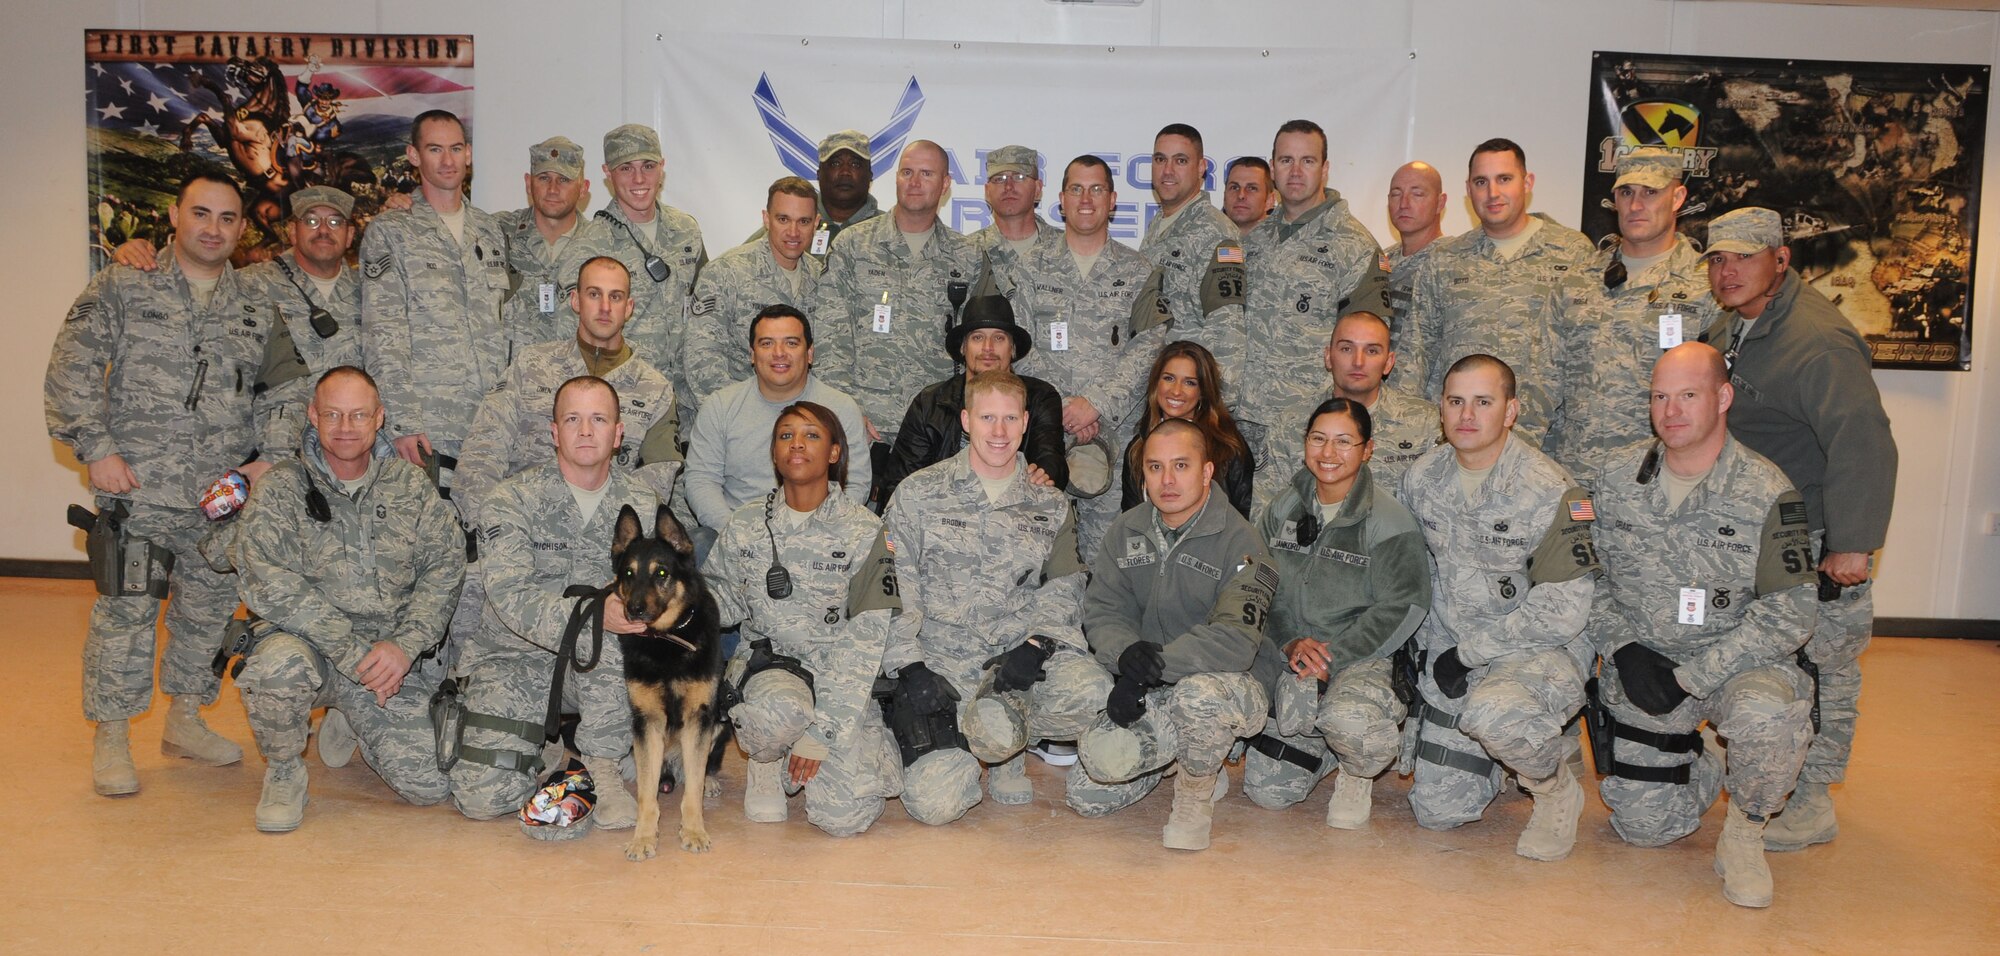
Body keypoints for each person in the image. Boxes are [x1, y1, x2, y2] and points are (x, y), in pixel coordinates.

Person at [47, 170, 268, 795]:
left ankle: (185, 721)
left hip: (218, 498)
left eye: (227, 219)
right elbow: (73, 366)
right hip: (139, 486)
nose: (213, 229)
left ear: (242, 228)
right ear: (173, 216)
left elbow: (287, 389)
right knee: (127, 614)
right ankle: (113, 735)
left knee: (208, 614)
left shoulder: (254, 304)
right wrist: (97, 449)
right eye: (201, 214)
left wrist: (264, 461)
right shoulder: (123, 283)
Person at [1588, 342, 1819, 907]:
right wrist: (1621, 647)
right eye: (1660, 397)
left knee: (1767, 717)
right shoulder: (1614, 480)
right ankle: (1704, 764)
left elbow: (1791, 611)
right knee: (1645, 829)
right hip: (1644, 666)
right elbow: (1583, 578)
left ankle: (1745, 829)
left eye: (1688, 395)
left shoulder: (1769, 492)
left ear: (1723, 397)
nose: (1671, 411)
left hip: (1738, 665)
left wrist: (1694, 676)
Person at [1699, 206, 1898, 851]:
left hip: (1814, 538)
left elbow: (1863, 443)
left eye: (1744, 258)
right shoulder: (1734, 324)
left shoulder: (1817, 340)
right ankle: (1766, 777)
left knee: (1822, 666)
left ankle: (1809, 799)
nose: (1728, 271)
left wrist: (1850, 542)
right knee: (1772, 662)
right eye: (1718, 259)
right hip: (1758, 533)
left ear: (1780, 260)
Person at [228, 367, 467, 831]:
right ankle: (284, 772)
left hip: (386, 661)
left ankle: (348, 716)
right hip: (311, 649)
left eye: (358, 415)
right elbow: (264, 577)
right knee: (276, 670)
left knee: (428, 786)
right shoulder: (281, 487)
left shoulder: (410, 485)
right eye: (333, 414)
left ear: (379, 419)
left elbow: (445, 566)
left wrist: (405, 646)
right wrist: (351, 652)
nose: (345, 427)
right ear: (312, 416)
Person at [1400, 354, 1600, 861]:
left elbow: (1561, 612)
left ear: (1510, 411)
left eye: (1483, 402)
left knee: (1495, 716)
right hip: (1454, 649)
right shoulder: (1422, 478)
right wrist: (1416, 654)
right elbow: (1416, 574)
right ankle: (1509, 748)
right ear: (1440, 409)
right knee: (1438, 810)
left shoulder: (1551, 488)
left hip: (1538, 649)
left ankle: (1553, 786)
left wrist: (1469, 654)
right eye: (1455, 401)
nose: (1467, 415)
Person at [880, 371, 1103, 823]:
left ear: (1025, 423)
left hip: (1017, 659)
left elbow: (1064, 585)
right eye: (987, 418)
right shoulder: (919, 492)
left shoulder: (1051, 504)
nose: (998, 432)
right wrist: (909, 665)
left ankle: (1009, 741)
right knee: (934, 805)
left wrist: (1039, 644)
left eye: (1008, 419)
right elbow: (893, 584)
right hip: (942, 662)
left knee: (1093, 694)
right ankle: (976, 736)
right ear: (966, 421)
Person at [447, 376, 662, 828]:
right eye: (573, 419)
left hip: (601, 663)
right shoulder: (510, 500)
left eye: (598, 419)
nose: (586, 431)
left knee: (610, 637)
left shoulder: (643, 505)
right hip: (517, 656)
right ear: (554, 432)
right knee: (482, 799)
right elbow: (509, 596)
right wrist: (592, 615)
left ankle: (602, 764)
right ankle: (545, 749)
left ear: (618, 433)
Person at [1070, 419, 1278, 851]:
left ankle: (1195, 789)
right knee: (1089, 790)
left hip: (1225, 685)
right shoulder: (1126, 529)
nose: (1167, 481)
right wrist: (1125, 656)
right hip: (1150, 679)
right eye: (1155, 467)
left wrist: (1154, 664)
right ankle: (1178, 749)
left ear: (1206, 472)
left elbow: (1235, 642)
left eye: (1181, 466)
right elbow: (1104, 609)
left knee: (1196, 698)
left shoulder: (1243, 542)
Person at [705, 401, 906, 835]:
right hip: (770, 672)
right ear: (775, 454)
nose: (797, 443)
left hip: (841, 680)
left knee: (843, 818)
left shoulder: (866, 531)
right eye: (785, 435)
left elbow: (867, 641)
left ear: (835, 452)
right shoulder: (744, 525)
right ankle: (765, 759)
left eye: (812, 435)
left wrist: (823, 733)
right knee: (781, 709)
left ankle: (813, 742)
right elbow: (717, 602)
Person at [1241, 398, 1430, 828]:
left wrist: (1333, 656)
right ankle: (1321, 745)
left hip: (1358, 655)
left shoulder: (1388, 520)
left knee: (1352, 722)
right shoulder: (1284, 507)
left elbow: (1406, 604)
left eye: (1344, 442)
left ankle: (1355, 769)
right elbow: (1258, 580)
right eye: (1318, 439)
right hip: (1293, 651)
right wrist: (1289, 638)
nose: (1328, 453)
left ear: (1367, 450)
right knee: (1267, 792)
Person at [111, 184, 366, 462]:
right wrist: (133, 250)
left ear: (350, 234)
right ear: (292, 231)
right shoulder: (247, 284)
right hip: (267, 450)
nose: (323, 230)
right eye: (311, 220)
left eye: (335, 222)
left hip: (350, 447)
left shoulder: (372, 293)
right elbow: (188, 277)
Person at [1006, 155, 1171, 558]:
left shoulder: (1139, 270)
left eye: (1096, 189)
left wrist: (1095, 404)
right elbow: (1018, 345)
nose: (1086, 198)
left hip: (1110, 442)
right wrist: (1060, 408)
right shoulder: (1028, 269)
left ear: (1112, 200)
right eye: (1076, 189)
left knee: (1105, 561)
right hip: (1042, 441)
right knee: (1038, 554)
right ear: (1060, 200)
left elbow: (1150, 345)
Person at [455, 256, 683, 531]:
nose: (605, 307)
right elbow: (482, 452)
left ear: (629, 308)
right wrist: (493, 527)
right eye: (594, 294)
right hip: (519, 529)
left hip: (604, 544)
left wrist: (598, 543)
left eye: (616, 297)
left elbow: (653, 487)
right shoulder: (530, 366)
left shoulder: (655, 389)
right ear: (575, 301)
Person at [1398, 138, 1596, 445]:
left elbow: (1586, 355)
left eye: (1504, 179)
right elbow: (1417, 353)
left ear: (1527, 182)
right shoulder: (1446, 260)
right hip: (1458, 441)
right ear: (1468, 189)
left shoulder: (1572, 253)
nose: (1492, 193)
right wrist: (1408, 434)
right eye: (1481, 182)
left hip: (1545, 442)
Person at [1548, 146, 1722, 490]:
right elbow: (1542, 379)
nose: (1636, 205)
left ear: (1678, 197)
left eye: (1651, 192)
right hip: (1574, 477)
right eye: (1626, 192)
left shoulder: (1706, 288)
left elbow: (1720, 398)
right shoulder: (1576, 281)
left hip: (1659, 481)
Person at [360, 110, 511, 495]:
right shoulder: (391, 231)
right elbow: (383, 333)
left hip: (490, 426)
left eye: (456, 148)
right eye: (435, 149)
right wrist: (404, 421)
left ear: (469, 154)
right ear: (414, 155)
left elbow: (505, 323)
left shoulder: (490, 230)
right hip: (428, 425)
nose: (447, 161)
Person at [1240, 120, 1383, 506]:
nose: (1296, 171)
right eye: (1286, 160)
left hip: (1308, 430)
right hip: (1241, 421)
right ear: (1272, 168)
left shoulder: (1353, 245)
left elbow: (1367, 352)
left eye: (1307, 160)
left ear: (1325, 168)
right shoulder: (1252, 241)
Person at [814, 140, 982, 449]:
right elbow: (830, 337)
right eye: (907, 172)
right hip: (864, 429)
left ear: (945, 184)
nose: (915, 183)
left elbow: (979, 351)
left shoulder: (967, 256)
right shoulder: (854, 245)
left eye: (926, 174)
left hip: (936, 430)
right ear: (896, 179)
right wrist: (844, 415)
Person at [555, 124, 709, 422]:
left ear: (662, 168)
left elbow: (704, 309)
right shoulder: (588, 245)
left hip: (686, 406)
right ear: (607, 173)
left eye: (648, 166)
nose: (639, 179)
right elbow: (567, 337)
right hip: (624, 405)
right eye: (626, 168)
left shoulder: (686, 230)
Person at [685, 305, 871, 534]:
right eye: (766, 343)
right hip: (738, 532)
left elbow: (855, 483)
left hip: (822, 535)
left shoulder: (841, 408)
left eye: (791, 343)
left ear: (810, 353)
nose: (779, 352)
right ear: (752, 354)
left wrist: (815, 533)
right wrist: (735, 533)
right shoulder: (720, 406)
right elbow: (701, 481)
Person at [879, 294, 1067, 506]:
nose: (988, 348)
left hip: (1013, 515)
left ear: (1012, 349)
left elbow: (1051, 459)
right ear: (963, 348)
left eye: (999, 338)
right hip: (938, 518)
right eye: (977, 337)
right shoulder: (930, 404)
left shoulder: (1041, 398)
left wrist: (1044, 474)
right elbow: (898, 484)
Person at [684, 176, 825, 408]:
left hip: (801, 421)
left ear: (816, 223)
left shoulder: (822, 278)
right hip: (736, 417)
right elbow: (702, 360)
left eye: (804, 221)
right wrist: (744, 419)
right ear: (766, 219)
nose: (793, 232)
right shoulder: (725, 272)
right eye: (783, 219)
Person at [1138, 124, 1246, 393]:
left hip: (1188, 394)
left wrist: (1211, 403)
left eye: (1181, 161)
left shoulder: (1216, 232)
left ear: (1201, 168)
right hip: (1160, 387)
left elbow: (1227, 326)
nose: (1168, 171)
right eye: (1160, 159)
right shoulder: (1160, 224)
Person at [1119, 341, 1253, 518]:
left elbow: (1242, 518)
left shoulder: (1228, 447)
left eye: (1189, 382)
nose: (1176, 391)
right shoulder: (1137, 448)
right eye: (1169, 378)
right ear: (1155, 383)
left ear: (1204, 391)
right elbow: (1132, 520)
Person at [496, 136, 591, 351]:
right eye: (544, 178)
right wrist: (405, 203)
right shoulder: (495, 232)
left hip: (577, 380)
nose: (553, 189)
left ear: (583, 188)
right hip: (513, 381)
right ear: (528, 183)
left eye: (564, 180)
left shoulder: (600, 243)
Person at [1324, 310, 1437, 489]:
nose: (1358, 361)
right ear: (1328, 356)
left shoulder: (1426, 423)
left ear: (1388, 363)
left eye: (1372, 351)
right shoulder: (1292, 423)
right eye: (1347, 348)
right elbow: (1269, 505)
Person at [748, 130, 880, 245]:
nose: (845, 172)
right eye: (835, 163)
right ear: (818, 174)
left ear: (870, 176)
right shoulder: (786, 231)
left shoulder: (889, 230)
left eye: (855, 164)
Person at [1381, 160, 1448, 319]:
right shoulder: (1381, 261)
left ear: (1440, 203)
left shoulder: (1451, 262)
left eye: (1417, 194)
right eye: (1396, 194)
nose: (1404, 204)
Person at [971, 145, 1059, 263]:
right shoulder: (966, 252)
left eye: (1019, 177)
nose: (1008, 186)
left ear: (1037, 188)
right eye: (999, 179)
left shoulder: (1068, 248)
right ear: (987, 191)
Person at [1222, 157, 1275, 233]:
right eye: (1234, 187)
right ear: (1224, 197)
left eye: (1252, 188)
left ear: (1269, 201)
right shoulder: (1205, 240)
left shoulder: (1287, 242)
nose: (1241, 195)